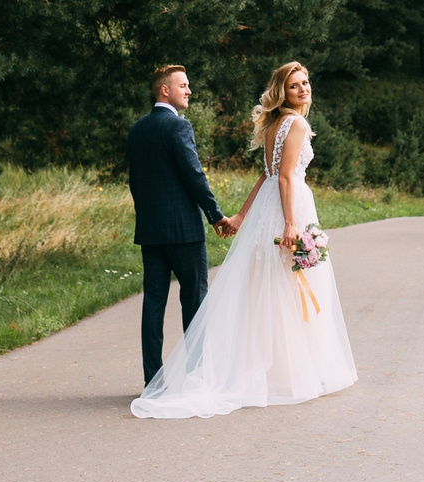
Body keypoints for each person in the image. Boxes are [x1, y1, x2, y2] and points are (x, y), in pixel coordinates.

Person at [131, 61, 357, 418]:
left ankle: (157, 378)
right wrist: (284, 223)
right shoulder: (294, 123)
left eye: (305, 82)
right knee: (247, 294)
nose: (303, 89)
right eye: (295, 85)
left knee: (259, 291)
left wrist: (239, 216)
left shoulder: (140, 128)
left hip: (166, 226)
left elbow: (266, 176)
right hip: (263, 214)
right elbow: (276, 177)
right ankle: (222, 374)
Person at [126, 64, 233, 386]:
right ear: (165, 90)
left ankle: (153, 380)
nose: (189, 90)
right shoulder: (178, 127)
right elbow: (193, 175)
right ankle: (196, 377)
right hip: (184, 232)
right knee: (195, 303)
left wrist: (148, 216)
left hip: (151, 232)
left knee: (153, 304)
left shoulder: (137, 129)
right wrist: (215, 215)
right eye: (183, 85)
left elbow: (135, 183)